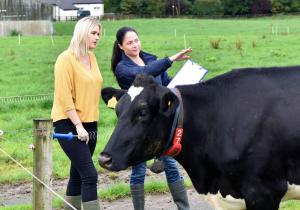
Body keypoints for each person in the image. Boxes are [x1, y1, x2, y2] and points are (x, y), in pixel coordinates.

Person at [111, 26, 192, 210]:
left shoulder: (151, 59)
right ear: (120, 46)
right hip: (137, 128)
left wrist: (188, 84)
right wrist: (170, 59)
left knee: (171, 164)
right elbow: (145, 74)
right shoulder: (123, 68)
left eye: (136, 40)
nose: (134, 45)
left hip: (160, 128)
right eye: (129, 42)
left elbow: (167, 83)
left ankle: (184, 208)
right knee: (139, 169)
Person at [51, 17, 103, 210]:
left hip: (90, 124)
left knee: (78, 174)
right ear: (82, 33)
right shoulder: (65, 59)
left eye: (98, 34)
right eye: (93, 33)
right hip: (69, 124)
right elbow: (64, 97)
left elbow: (93, 87)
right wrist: (79, 126)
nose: (97, 37)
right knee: (90, 175)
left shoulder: (92, 58)